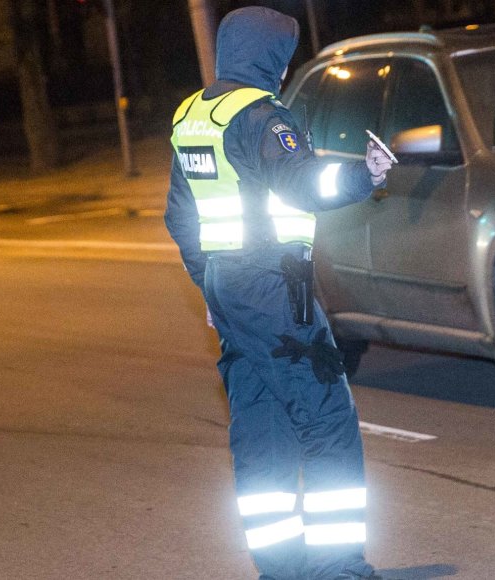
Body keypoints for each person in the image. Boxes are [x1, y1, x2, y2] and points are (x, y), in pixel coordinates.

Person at [164, 6, 394, 580]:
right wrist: (364, 175)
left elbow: (179, 217)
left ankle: (282, 568)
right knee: (328, 422)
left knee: (261, 429)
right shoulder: (264, 118)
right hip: (273, 288)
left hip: (230, 288)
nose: (287, 65)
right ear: (267, 55)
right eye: (284, 54)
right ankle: (338, 568)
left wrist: (211, 292)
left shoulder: (193, 116)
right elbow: (303, 183)